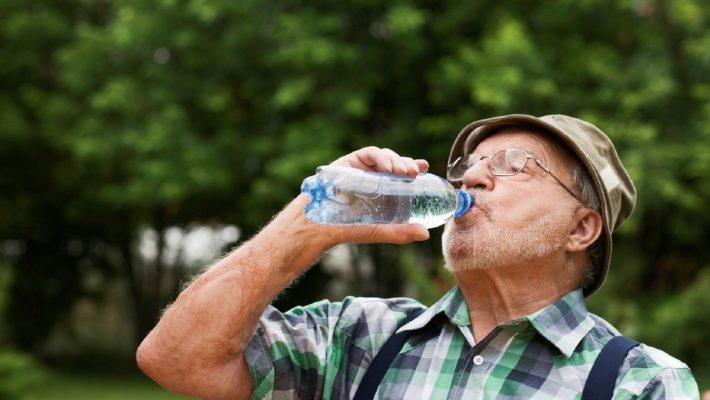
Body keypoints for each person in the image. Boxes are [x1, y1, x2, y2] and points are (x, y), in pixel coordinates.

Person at [136, 114, 699, 399]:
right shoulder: (358, 336)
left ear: (581, 229)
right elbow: (177, 359)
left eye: (511, 164)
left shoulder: (640, 382)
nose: (473, 175)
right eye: (470, 165)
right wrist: (305, 226)